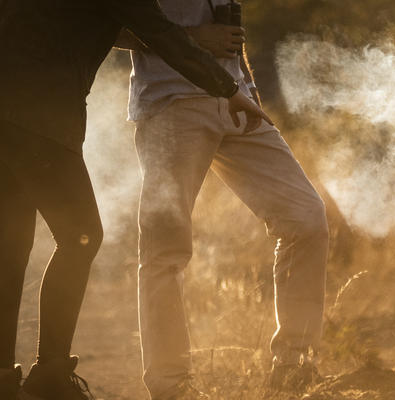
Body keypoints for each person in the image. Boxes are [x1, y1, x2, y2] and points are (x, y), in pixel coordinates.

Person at [0, 1, 266, 399]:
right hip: (41, 113)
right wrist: (229, 89)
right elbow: (159, 32)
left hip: (13, 105)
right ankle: (50, 377)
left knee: (12, 242)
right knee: (80, 236)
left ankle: (4, 377)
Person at [115, 1, 329, 398]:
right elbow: (109, 24)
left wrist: (247, 86)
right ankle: (171, 385)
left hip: (235, 101)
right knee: (166, 248)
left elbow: (231, 33)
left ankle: (293, 366)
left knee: (305, 218)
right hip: (170, 103)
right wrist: (194, 39)